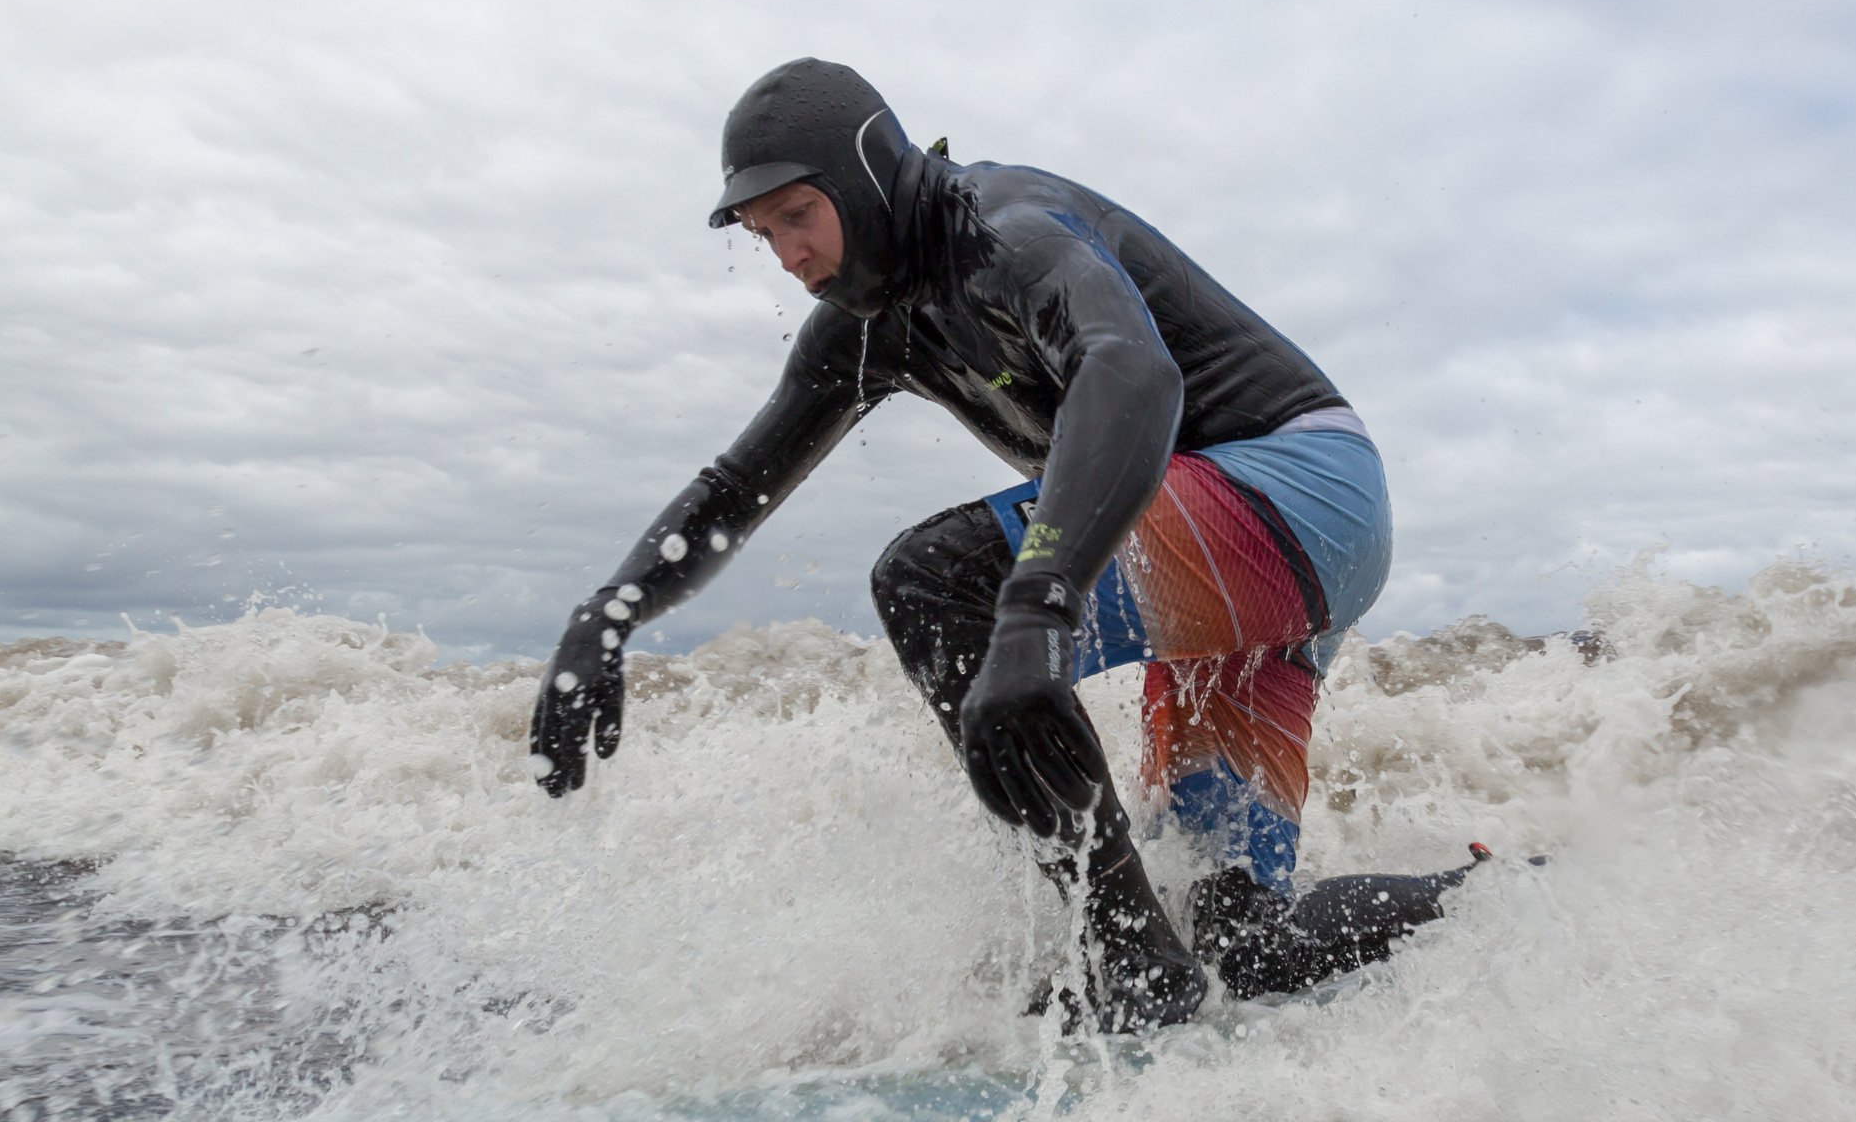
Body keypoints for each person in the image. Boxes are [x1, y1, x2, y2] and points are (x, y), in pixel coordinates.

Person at [529, 58, 1458, 1031]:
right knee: (1243, 939)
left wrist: (1037, 599)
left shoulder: (1007, 230)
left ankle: (1128, 966)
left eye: (798, 216)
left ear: (866, 175)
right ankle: (1516, 901)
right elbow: (734, 486)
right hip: (1278, 567)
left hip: (1295, 488)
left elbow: (1130, 371)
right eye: (765, 237)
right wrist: (611, 611)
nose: (788, 256)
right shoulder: (864, 331)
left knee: (936, 580)